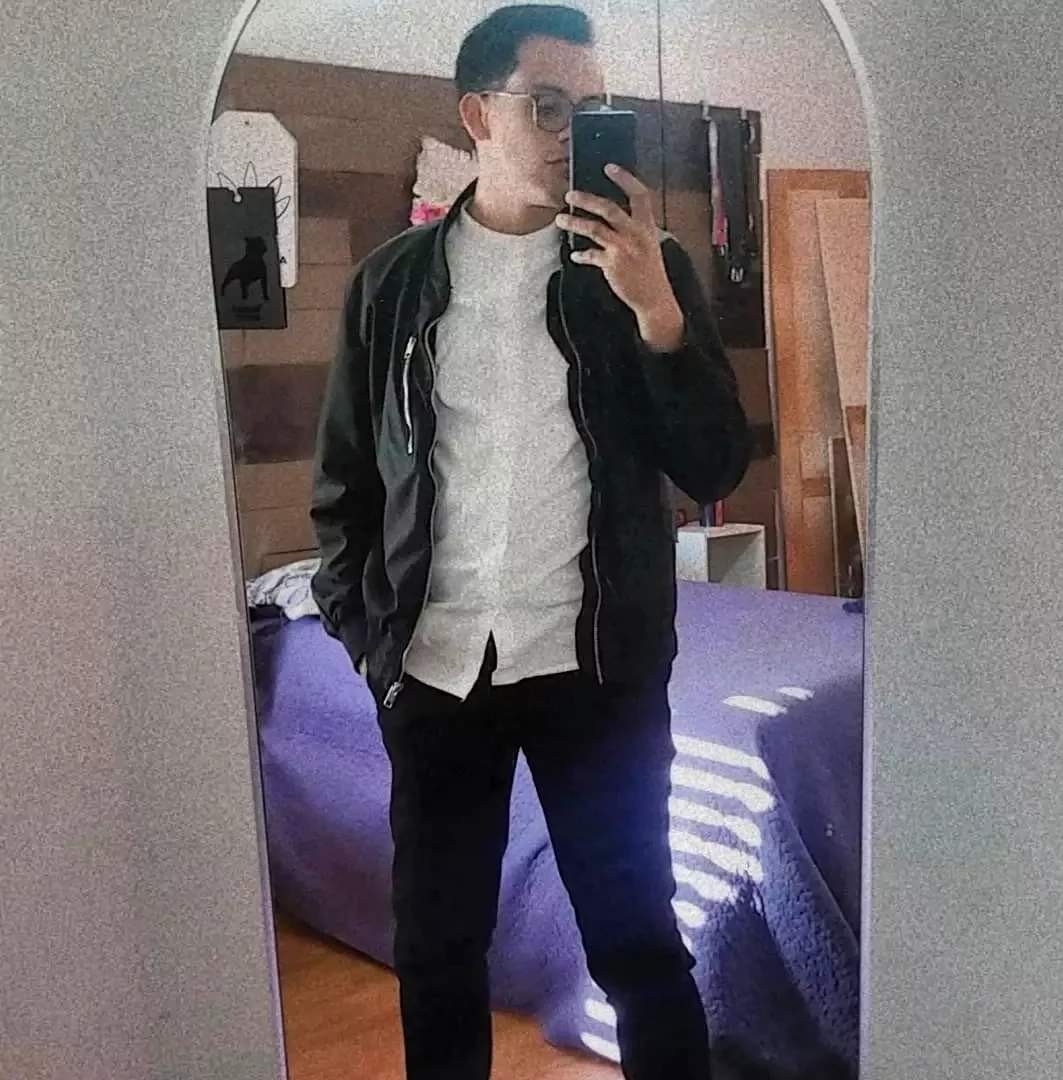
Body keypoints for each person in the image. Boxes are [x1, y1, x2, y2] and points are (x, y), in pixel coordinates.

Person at [310, 6, 751, 1078]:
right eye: (547, 107)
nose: (571, 134)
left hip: (597, 676)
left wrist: (659, 317)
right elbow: (346, 492)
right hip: (437, 674)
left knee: (640, 948)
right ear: (477, 116)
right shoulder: (391, 286)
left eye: (592, 110)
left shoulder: (645, 270)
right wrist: (374, 645)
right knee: (439, 955)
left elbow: (714, 467)